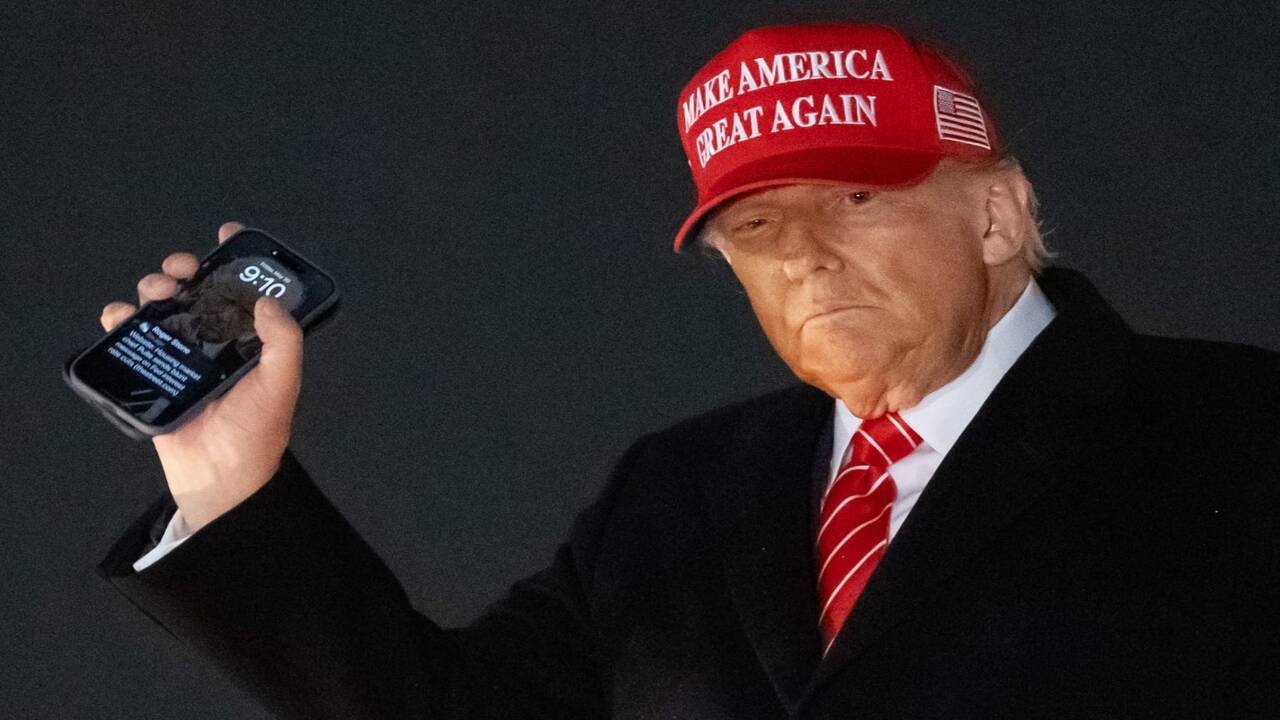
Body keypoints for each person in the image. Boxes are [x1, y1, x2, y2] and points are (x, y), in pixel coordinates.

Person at [96, 22, 1279, 719]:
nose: (803, 258)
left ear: (996, 217)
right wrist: (232, 482)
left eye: (854, 199)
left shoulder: (1236, 437)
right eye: (755, 229)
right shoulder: (680, 493)